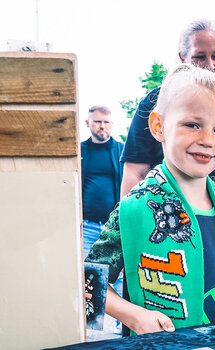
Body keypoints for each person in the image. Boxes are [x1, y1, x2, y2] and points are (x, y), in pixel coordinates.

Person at [85, 64, 215, 335]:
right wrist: (133, 316)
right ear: (158, 126)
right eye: (193, 125)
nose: (206, 140)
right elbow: (86, 281)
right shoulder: (133, 208)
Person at [120, 18, 215, 259]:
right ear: (183, 57)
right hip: (171, 239)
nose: (210, 65)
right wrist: (133, 229)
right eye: (199, 56)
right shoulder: (158, 103)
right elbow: (135, 173)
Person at [81, 105, 125, 332]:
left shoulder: (120, 150)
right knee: (92, 274)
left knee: (116, 276)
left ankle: (120, 324)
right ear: (88, 123)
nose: (102, 126)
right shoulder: (80, 151)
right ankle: (93, 325)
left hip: (114, 226)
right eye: (97, 122)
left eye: (106, 122)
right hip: (87, 225)